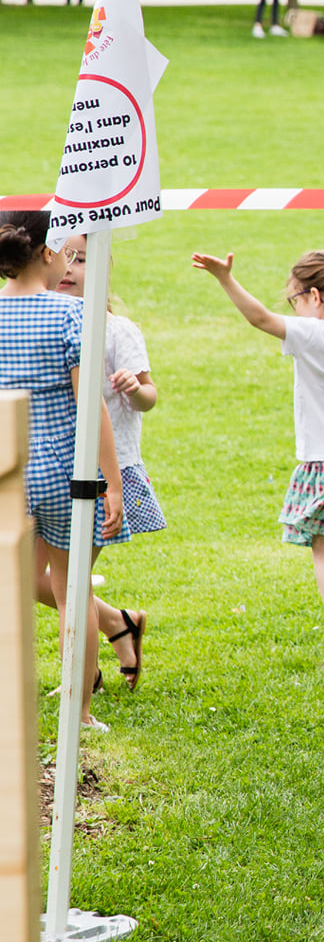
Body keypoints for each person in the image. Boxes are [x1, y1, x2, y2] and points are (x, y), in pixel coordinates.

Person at [192, 210, 324, 671]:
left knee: (321, 543)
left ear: (313, 296)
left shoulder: (313, 334)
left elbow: (259, 319)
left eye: (294, 300)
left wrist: (225, 278)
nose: (292, 309)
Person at [1, 212, 125, 729]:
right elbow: (88, 404)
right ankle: (81, 711)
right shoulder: (69, 314)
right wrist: (112, 481)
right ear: (50, 253)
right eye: (69, 255)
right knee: (73, 593)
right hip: (60, 471)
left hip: (7, 464)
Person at [42, 236, 163, 694]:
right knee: (39, 578)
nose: (71, 267)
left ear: (104, 270)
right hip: (50, 471)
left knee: (69, 586)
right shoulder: (48, 324)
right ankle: (118, 622)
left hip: (104, 473)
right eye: (63, 257)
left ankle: (81, 682)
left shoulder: (117, 329)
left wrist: (135, 388)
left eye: (84, 259)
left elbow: (150, 397)